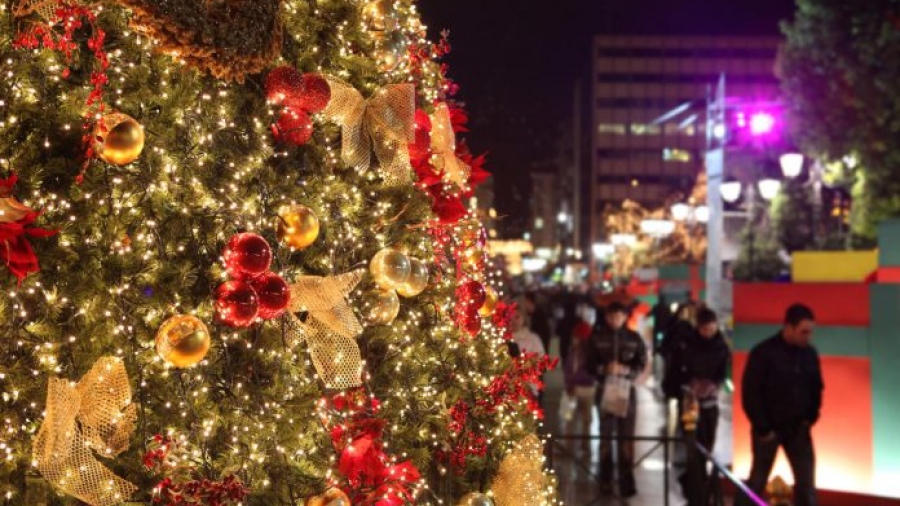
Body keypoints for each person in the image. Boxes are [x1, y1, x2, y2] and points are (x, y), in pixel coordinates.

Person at [736, 304, 823, 506]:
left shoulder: (809, 354)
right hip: (768, 430)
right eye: (803, 332)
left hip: (798, 429)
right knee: (757, 481)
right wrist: (763, 428)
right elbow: (751, 393)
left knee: (806, 485)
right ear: (788, 327)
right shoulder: (763, 353)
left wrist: (810, 417)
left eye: (810, 332)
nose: (807, 336)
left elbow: (816, 387)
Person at [587, 301, 648, 497]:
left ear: (624, 317)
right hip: (605, 390)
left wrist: (627, 371)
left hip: (626, 392)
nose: (615, 320)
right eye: (612, 317)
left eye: (619, 316)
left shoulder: (634, 337)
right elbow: (588, 364)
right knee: (605, 438)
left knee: (626, 439)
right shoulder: (596, 338)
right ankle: (605, 482)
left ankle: (626, 483)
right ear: (606, 317)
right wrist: (603, 369)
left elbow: (642, 362)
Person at [683, 307, 730, 453]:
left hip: (712, 399)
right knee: (692, 439)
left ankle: (709, 469)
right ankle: (695, 472)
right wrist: (691, 382)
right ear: (698, 327)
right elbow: (681, 367)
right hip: (691, 398)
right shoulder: (688, 344)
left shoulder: (722, 347)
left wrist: (715, 384)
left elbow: (726, 372)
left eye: (711, 328)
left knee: (710, 439)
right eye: (704, 329)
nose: (708, 332)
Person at [563, 318, 596, 458]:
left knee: (575, 420)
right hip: (583, 390)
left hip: (580, 390)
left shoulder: (582, 353)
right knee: (581, 421)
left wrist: (570, 383)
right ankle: (581, 447)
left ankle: (575, 447)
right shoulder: (576, 351)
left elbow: (572, 371)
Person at [524, 292, 552, 358]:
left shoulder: (540, 315)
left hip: (539, 349)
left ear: (528, 301)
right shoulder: (527, 314)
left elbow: (545, 334)